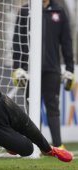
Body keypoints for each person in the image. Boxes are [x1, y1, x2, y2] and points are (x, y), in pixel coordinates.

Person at [12, 0, 75, 149]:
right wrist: (17, 67)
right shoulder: (25, 11)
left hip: (52, 69)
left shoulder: (59, 12)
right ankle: (34, 146)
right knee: (32, 107)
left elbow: (66, 42)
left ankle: (58, 146)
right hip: (29, 70)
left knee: (53, 106)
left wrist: (70, 68)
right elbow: (17, 41)